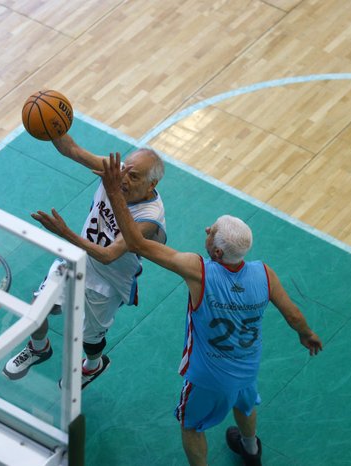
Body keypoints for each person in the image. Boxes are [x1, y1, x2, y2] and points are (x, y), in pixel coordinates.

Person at [96, 153, 323, 466]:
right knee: (245, 402)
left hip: (208, 377)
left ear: (217, 250)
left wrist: (113, 192)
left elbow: (137, 243)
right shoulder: (264, 274)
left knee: (191, 426)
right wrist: (307, 334)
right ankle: (250, 449)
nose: (206, 228)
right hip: (247, 367)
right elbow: (294, 315)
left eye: (211, 230)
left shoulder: (199, 271)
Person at [2, 134, 167, 389]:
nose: (123, 178)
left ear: (151, 184)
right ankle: (38, 348)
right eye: (126, 170)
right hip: (77, 259)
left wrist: (64, 233)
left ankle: (93, 366)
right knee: (36, 310)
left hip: (108, 280)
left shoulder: (149, 217)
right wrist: (54, 125)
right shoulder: (114, 172)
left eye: (134, 177)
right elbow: (71, 148)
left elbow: (109, 255)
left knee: (88, 340)